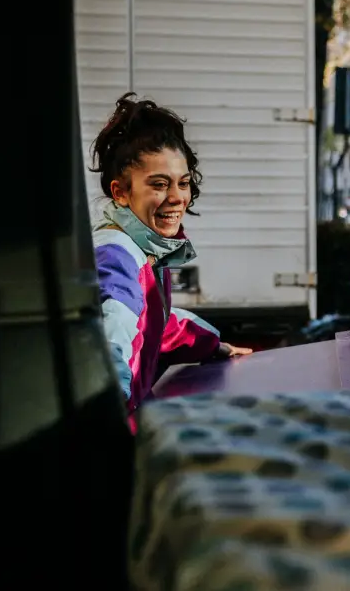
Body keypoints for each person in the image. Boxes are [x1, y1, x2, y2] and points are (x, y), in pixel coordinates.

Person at [90, 92, 252, 415]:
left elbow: (156, 326)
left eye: (183, 183)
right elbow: (112, 343)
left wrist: (212, 345)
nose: (177, 197)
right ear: (120, 192)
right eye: (159, 184)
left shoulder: (145, 250)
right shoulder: (119, 257)